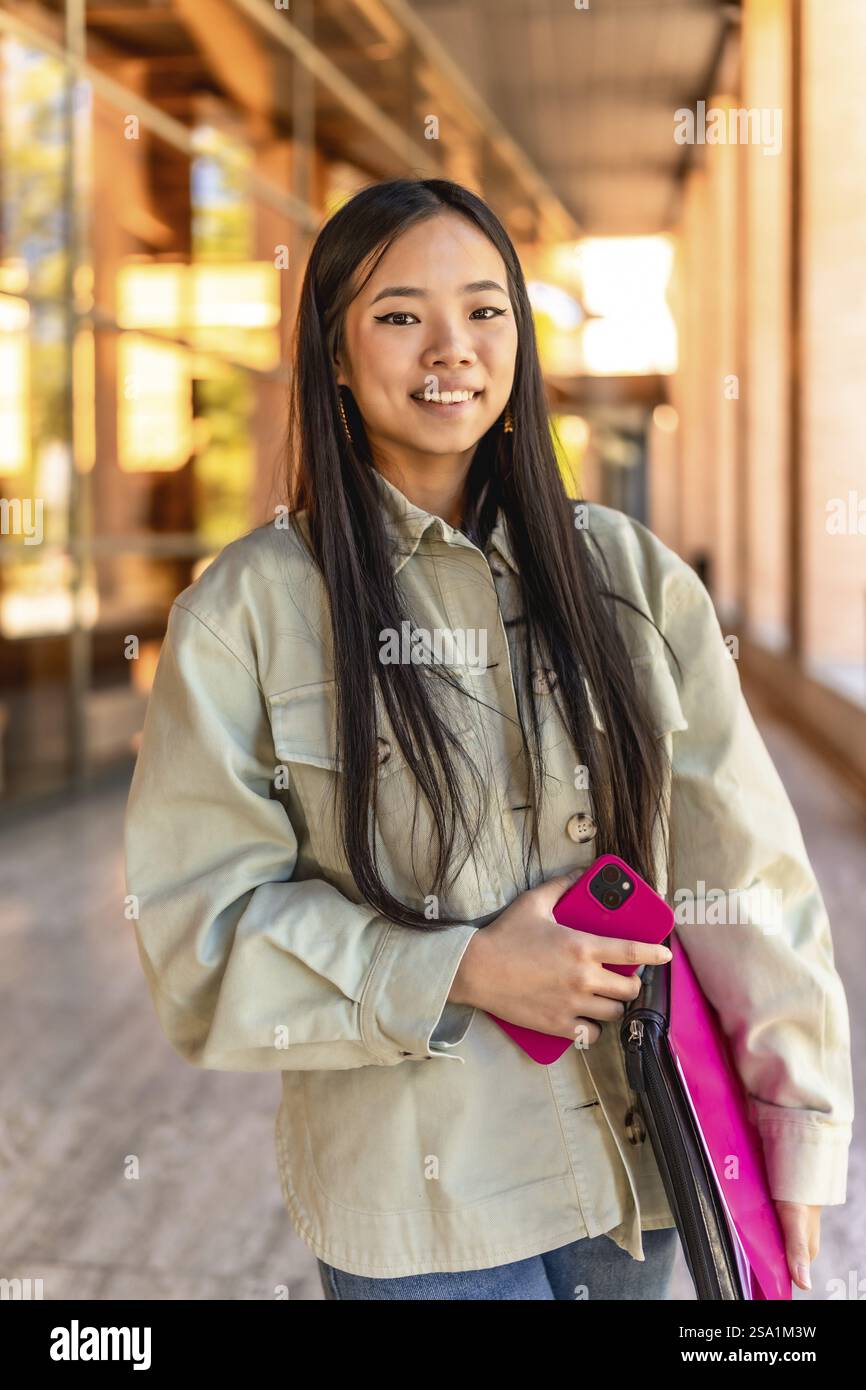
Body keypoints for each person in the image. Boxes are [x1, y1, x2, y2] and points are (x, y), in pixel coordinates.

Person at [124, 177, 853, 1301]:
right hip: (422, 1225)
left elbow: (739, 868)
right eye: (400, 315)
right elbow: (200, 936)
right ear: (331, 352)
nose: (450, 349)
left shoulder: (630, 576)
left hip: (643, 1181)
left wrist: (791, 1122)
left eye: (484, 310)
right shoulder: (247, 612)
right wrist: (461, 969)